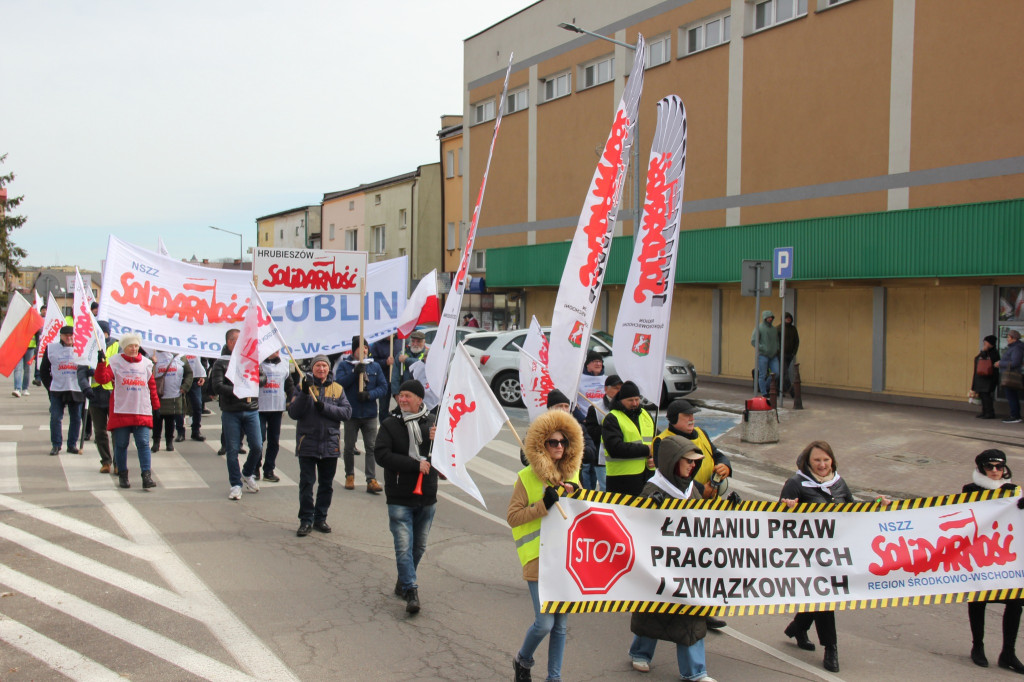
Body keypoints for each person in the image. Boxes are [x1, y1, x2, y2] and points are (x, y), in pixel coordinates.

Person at [628, 436, 716, 682]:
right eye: (687, 461)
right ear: (672, 461)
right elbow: (637, 527)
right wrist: (649, 508)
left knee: (690, 617)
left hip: (687, 568)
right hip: (658, 568)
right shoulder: (652, 489)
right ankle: (640, 652)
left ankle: (695, 671)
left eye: (694, 462)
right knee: (652, 613)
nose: (692, 466)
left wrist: (731, 509)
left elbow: (706, 520)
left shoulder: (691, 489)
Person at [508, 408, 582, 682]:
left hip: (565, 560)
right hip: (537, 560)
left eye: (563, 442)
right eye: (553, 442)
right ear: (542, 445)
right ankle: (523, 660)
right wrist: (544, 505)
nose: (559, 446)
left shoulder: (573, 476)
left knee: (561, 626)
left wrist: (579, 498)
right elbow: (513, 517)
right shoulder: (526, 477)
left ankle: (555, 677)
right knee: (544, 623)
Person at [779, 440, 857, 673]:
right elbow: (776, 520)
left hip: (835, 554)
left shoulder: (839, 483)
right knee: (825, 599)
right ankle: (830, 648)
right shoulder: (795, 484)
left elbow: (855, 513)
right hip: (807, 556)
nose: (822, 465)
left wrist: (881, 508)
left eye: (826, 459)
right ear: (807, 462)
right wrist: (788, 509)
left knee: (821, 597)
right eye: (817, 460)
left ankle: (798, 627)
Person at [657, 398, 732, 630]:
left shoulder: (701, 432)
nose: (692, 419)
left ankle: (704, 609)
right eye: (687, 416)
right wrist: (701, 491)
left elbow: (718, 455)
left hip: (709, 509)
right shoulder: (662, 442)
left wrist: (725, 466)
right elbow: (668, 475)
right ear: (673, 419)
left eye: (693, 415)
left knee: (705, 562)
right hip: (684, 513)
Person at [374, 379, 439, 614]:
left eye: (408, 396)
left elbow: (440, 460)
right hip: (400, 496)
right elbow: (381, 455)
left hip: (426, 496)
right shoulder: (390, 424)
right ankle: (411, 590)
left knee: (418, 547)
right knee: (403, 547)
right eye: (400, 395)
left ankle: (403, 580)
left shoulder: (433, 423)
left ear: (420, 400)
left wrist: (438, 441)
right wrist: (414, 465)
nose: (402, 399)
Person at [962, 448, 1024, 672]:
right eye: (990, 467)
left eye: (1000, 467)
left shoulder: (1013, 491)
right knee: (978, 601)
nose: (996, 471)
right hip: (980, 555)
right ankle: (977, 647)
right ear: (981, 469)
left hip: (1007, 556)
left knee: (1015, 604)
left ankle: (1009, 652)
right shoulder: (970, 490)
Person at [288, 355, 351, 536]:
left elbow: (346, 412)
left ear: (329, 368)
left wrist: (327, 408)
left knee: (326, 485)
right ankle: (306, 520)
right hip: (307, 442)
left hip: (330, 444)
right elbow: (294, 412)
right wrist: (305, 394)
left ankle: (320, 518)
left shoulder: (337, 389)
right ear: (312, 368)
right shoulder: (302, 386)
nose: (321, 369)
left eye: (324, 366)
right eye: (318, 366)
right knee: (307, 484)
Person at [93, 333, 160, 489]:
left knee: (143, 443)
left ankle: (146, 476)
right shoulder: (115, 362)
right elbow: (102, 379)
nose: (134, 348)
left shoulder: (146, 364)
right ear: (124, 347)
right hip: (122, 410)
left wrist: (156, 406)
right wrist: (101, 364)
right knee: (121, 445)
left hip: (141, 410)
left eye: (136, 346)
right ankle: (123, 475)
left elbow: (152, 386)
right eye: (131, 346)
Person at [208, 328, 265, 500]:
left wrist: (253, 382)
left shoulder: (251, 359)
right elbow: (217, 386)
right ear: (231, 342)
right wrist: (238, 390)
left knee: (257, 446)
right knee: (232, 450)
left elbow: (263, 378)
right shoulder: (221, 363)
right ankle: (235, 484)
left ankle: (247, 473)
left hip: (251, 410)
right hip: (231, 412)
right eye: (239, 340)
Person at [335, 335, 386, 494]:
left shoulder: (374, 366)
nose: (363, 350)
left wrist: (370, 395)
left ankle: (371, 478)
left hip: (369, 413)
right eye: (360, 347)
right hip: (352, 413)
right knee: (349, 446)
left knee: (371, 447)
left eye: (365, 347)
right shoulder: (345, 365)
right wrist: (354, 374)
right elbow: (339, 385)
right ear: (354, 349)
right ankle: (349, 474)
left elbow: (383, 387)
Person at [601, 380, 655, 496]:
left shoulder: (646, 415)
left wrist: (656, 458)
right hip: (621, 480)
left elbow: (656, 441)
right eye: (630, 400)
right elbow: (615, 448)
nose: (635, 403)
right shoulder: (612, 418)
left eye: (637, 399)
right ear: (621, 400)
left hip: (647, 477)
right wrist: (646, 450)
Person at [77, 321, 117, 473]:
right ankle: (106, 461)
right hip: (94, 395)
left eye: (104, 333)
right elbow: (81, 372)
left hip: (113, 395)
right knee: (100, 432)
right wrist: (85, 388)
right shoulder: (88, 348)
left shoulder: (117, 346)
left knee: (116, 432)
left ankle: (118, 462)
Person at [40, 325, 85, 456]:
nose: (69, 338)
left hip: (76, 389)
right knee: (55, 417)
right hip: (58, 389)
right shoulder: (51, 348)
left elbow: (88, 368)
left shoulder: (82, 349)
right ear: (61, 336)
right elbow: (43, 371)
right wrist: (50, 385)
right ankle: (56, 445)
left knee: (76, 418)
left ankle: (72, 444)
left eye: (71, 335)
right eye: (66, 336)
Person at [257, 350, 294, 482]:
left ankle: (269, 469)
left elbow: (289, 384)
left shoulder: (284, 362)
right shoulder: (258, 361)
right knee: (259, 439)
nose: (276, 351)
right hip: (260, 407)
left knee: (274, 441)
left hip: (277, 408)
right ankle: (255, 467)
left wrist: (291, 399)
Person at [583, 374, 621, 492]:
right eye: (616, 388)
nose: (619, 391)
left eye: (621, 388)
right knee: (606, 489)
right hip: (602, 456)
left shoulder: (625, 407)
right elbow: (590, 431)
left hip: (621, 456)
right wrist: (608, 429)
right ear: (606, 389)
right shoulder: (595, 408)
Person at [151, 351, 192, 452]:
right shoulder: (153, 355)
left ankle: (169, 442)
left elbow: (189, 373)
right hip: (158, 394)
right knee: (157, 420)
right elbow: (146, 373)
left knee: (170, 420)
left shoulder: (181, 357)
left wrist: (185, 386)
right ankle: (156, 442)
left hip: (174, 394)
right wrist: (153, 363)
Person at [370, 334, 399, 422]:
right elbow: (372, 361)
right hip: (383, 379)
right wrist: (385, 362)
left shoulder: (399, 341)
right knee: (383, 407)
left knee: (402, 404)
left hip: (397, 379)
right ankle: (384, 427)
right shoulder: (377, 344)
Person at [751, 310, 780, 397]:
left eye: (771, 317)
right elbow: (753, 341)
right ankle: (764, 393)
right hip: (763, 355)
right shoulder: (759, 328)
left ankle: (765, 386)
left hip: (773, 355)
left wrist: (777, 348)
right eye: (768, 317)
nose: (770, 319)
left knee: (776, 373)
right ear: (765, 318)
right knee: (762, 374)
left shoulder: (774, 329)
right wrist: (763, 348)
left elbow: (777, 341)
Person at [997, 329, 1023, 424]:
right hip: (1009, 374)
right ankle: (1014, 414)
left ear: (1014, 338)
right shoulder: (1014, 347)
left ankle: (1015, 416)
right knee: (1011, 396)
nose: (1007, 339)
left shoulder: (1016, 348)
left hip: (1011, 376)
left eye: (1008, 337)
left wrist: (1001, 363)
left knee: (1012, 396)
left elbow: (1015, 362)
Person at [972, 335, 1001, 420]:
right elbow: (977, 358)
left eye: (986, 342)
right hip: (983, 377)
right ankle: (984, 411)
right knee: (982, 395)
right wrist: (983, 351)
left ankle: (989, 413)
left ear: (990, 343)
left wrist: (984, 351)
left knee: (986, 395)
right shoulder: (987, 351)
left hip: (989, 377)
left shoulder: (993, 353)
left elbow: (986, 360)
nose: (984, 344)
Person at [184, 353, 207, 440]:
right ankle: (180, 432)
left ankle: (196, 431)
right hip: (181, 377)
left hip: (195, 379)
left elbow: (204, 358)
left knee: (197, 406)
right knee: (180, 406)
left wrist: (203, 374)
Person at [11, 332, 35, 398]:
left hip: (30, 346)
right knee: (18, 368)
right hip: (18, 346)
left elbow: (38, 331)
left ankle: (25, 388)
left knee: (27, 369)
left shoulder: (32, 321)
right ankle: (17, 389)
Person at [782, 312, 800, 396]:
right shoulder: (780, 328)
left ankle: (782, 389)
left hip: (790, 354)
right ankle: (791, 391)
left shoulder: (793, 329)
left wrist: (794, 352)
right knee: (784, 372)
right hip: (781, 354)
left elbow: (796, 341)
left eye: (789, 318)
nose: (788, 319)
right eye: (786, 318)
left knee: (783, 372)